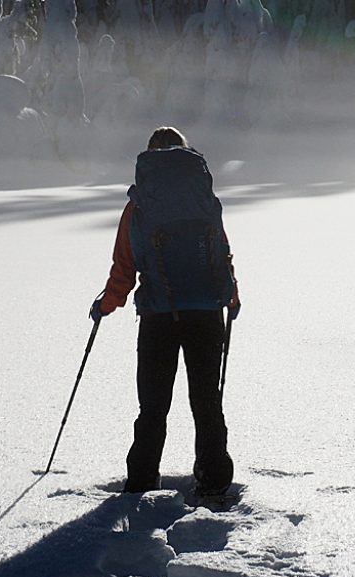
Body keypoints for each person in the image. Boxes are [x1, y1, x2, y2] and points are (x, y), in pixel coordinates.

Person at [90, 126, 241, 496]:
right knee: (206, 402)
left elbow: (124, 267)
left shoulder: (141, 204)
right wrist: (232, 296)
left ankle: (142, 480)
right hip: (207, 314)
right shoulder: (203, 198)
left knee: (153, 406)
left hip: (159, 315)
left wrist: (106, 304)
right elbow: (220, 251)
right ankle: (214, 479)